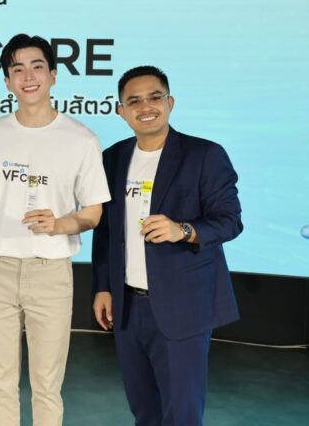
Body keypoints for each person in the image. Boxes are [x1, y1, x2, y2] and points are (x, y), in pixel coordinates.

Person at [0, 34, 110, 426]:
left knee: (47, 385)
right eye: (18, 69)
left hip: (51, 273)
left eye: (37, 67)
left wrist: (59, 224)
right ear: (7, 81)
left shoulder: (81, 139)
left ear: (54, 75)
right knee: (1, 383)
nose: (28, 77)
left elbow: (93, 213)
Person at [91, 65, 243, 426]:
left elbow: (230, 220)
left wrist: (183, 230)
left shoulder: (204, 154)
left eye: (155, 97)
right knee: (144, 410)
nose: (145, 107)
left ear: (170, 102)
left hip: (183, 306)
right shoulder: (113, 158)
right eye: (134, 101)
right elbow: (105, 230)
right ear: (121, 111)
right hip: (128, 307)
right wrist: (102, 287)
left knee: (182, 413)